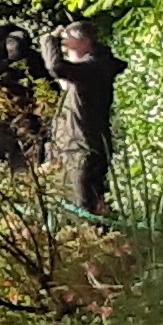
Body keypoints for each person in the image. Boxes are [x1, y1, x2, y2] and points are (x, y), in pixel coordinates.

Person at [34, 18, 122, 216]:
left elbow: (56, 68)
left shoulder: (95, 68)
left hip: (84, 150)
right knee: (73, 207)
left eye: (67, 43)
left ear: (84, 42)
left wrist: (50, 41)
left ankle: (104, 242)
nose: (64, 48)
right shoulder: (88, 70)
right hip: (72, 149)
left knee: (87, 208)